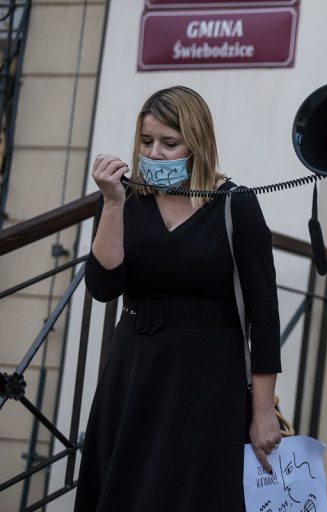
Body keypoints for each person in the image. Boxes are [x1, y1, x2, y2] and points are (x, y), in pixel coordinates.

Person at [75, 86, 282, 512]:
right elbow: (103, 287)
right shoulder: (124, 199)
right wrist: (112, 205)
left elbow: (263, 316)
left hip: (207, 381)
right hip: (134, 373)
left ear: (198, 143)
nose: (156, 154)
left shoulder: (235, 205)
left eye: (170, 143)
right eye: (147, 142)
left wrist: (262, 412)